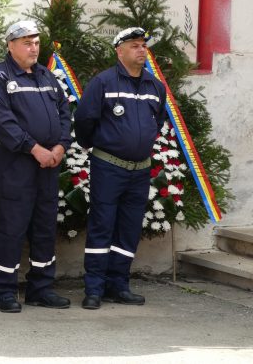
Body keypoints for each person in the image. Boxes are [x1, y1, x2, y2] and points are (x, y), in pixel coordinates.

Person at [0, 20, 73, 313]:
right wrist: (34, 149)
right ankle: (2, 291)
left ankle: (41, 288)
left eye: (36, 43)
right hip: (18, 164)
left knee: (45, 227)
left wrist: (60, 147)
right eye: (26, 43)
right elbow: (4, 123)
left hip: (49, 164)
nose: (34, 48)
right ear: (11, 45)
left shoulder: (46, 76)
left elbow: (64, 114)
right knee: (12, 227)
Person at [75, 27, 166, 310]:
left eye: (143, 46)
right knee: (102, 226)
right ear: (119, 51)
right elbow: (84, 121)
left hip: (140, 171)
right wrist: (100, 147)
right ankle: (94, 289)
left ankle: (119, 285)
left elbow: (157, 122)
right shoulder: (103, 82)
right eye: (135, 45)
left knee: (128, 228)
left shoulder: (155, 86)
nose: (141, 50)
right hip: (108, 168)